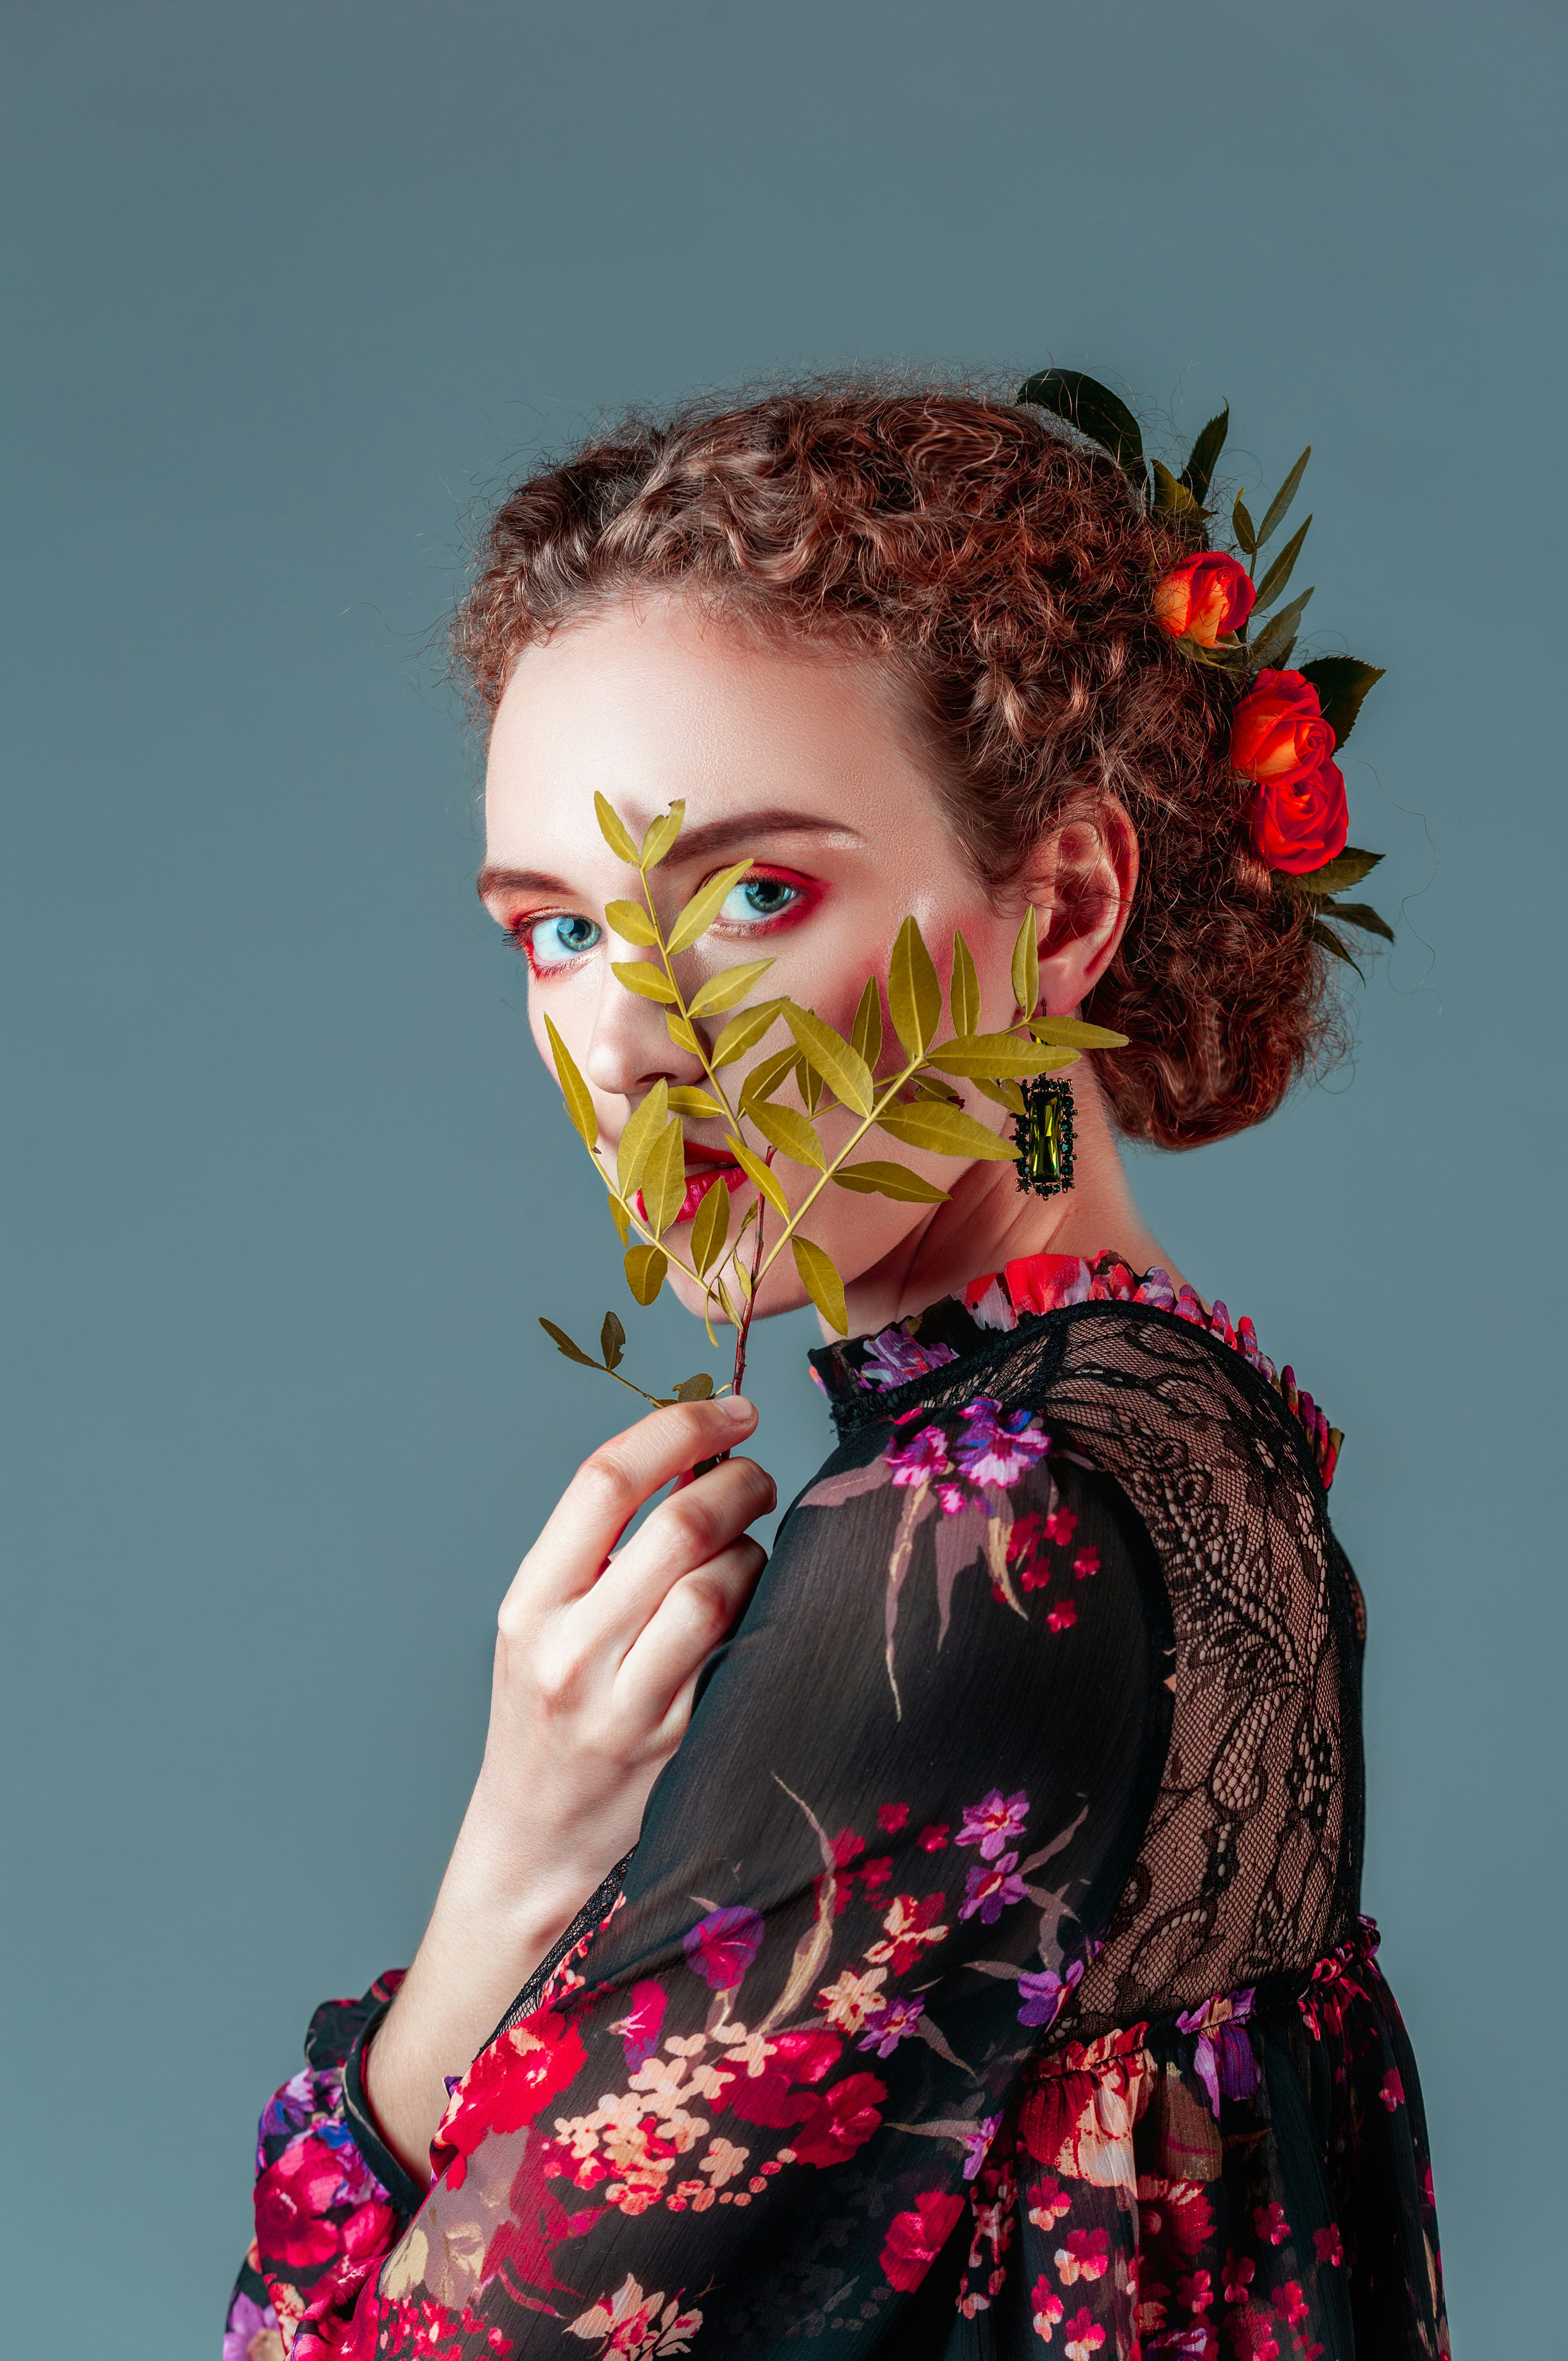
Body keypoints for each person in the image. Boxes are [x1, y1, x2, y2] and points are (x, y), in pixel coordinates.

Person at [226, 383, 1448, 2360]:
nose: (628, 1042)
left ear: (1058, 909)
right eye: (554, 931)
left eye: (751, 896)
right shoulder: (1199, 1429)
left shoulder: (972, 1545)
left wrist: (505, 1874)